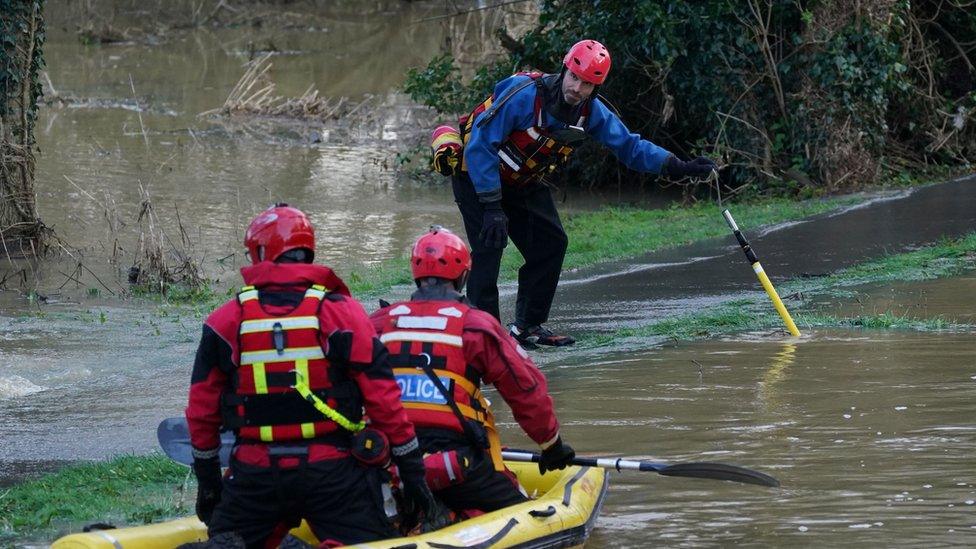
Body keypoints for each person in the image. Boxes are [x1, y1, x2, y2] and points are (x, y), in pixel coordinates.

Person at [185, 204, 446, 548]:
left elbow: (201, 410)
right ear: (308, 251)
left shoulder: (225, 320)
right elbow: (383, 398)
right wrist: (412, 473)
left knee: (227, 539)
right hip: (334, 474)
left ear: (259, 252)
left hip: (256, 475)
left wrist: (208, 480)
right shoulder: (340, 311)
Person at [447, 39, 717, 348]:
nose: (577, 88)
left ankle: (527, 327)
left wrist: (678, 166)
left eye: (587, 84)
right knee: (489, 247)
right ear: (564, 69)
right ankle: (487, 340)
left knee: (551, 243)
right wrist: (492, 206)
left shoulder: (592, 112)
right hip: (477, 177)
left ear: (596, 87)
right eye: (574, 78)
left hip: (522, 180)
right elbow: (481, 144)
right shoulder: (522, 95)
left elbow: (630, 146)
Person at [369, 226, 575, 516]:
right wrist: (551, 444)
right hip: (456, 461)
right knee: (524, 512)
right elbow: (526, 389)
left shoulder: (379, 323)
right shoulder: (476, 325)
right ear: (464, 275)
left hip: (389, 457)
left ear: (415, 273)